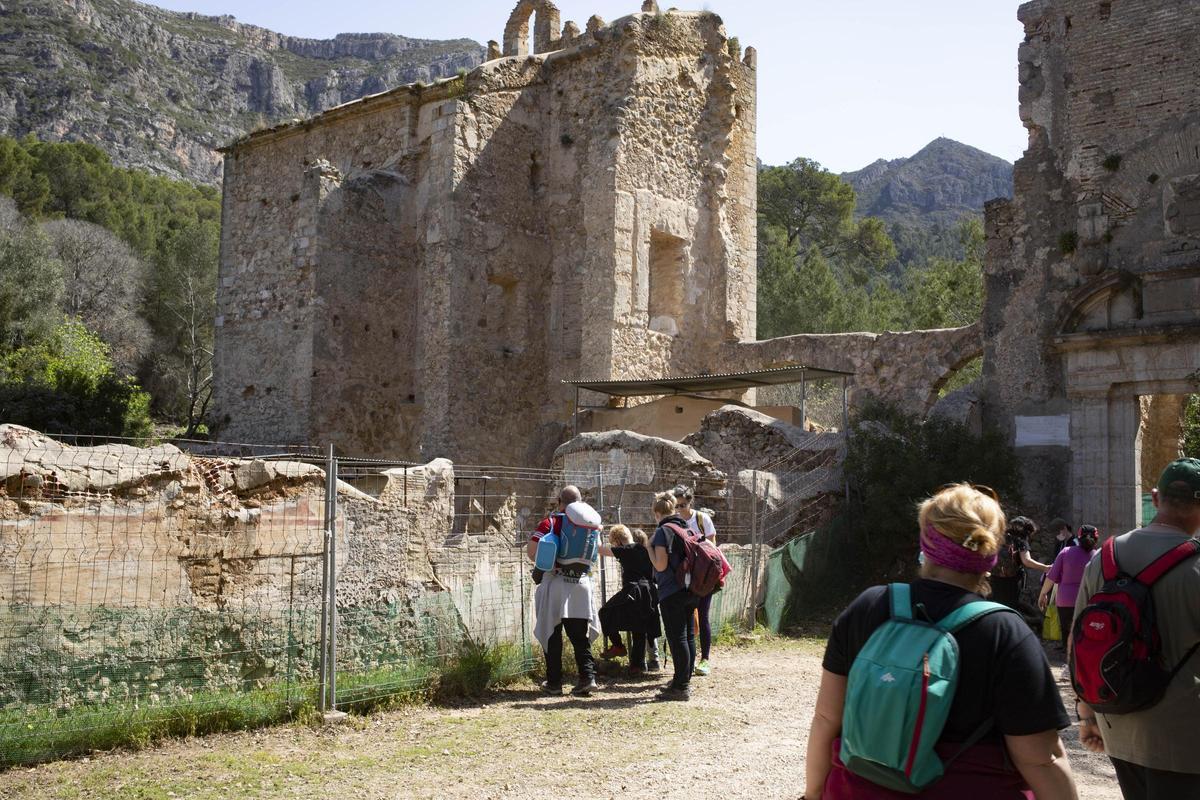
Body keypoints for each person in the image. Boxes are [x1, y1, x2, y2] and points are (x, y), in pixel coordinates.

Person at [803, 484, 1077, 800]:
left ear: (926, 543)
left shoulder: (867, 607)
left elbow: (826, 719)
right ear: (990, 552)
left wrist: (812, 795)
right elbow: (1043, 759)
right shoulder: (1006, 633)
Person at [1074, 459, 1200, 800]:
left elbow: (1080, 638)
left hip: (1119, 726)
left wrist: (1087, 715)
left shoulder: (1105, 557)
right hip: (1185, 739)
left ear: (1156, 498)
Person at [526, 485, 601, 697]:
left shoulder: (551, 522)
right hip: (581, 583)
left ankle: (554, 683)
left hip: (555, 582)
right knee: (580, 636)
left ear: (560, 501)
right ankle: (587, 678)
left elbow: (533, 551)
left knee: (552, 634)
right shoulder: (590, 525)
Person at [646, 490, 699, 701]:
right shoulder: (685, 527)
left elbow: (660, 564)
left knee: (677, 638)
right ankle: (682, 680)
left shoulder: (663, 532)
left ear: (657, 513)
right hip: (691, 589)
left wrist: (648, 548)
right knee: (687, 636)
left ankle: (681, 687)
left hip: (672, 591)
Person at [596, 524, 661, 674]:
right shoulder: (644, 549)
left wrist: (596, 531)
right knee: (639, 628)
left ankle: (618, 646)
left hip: (634, 590)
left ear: (618, 541)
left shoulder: (625, 550)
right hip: (649, 591)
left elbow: (600, 549)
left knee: (605, 612)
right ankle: (637, 666)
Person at [1038, 524, 1099, 663]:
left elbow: (1051, 576)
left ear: (1078, 537)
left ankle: (1069, 665)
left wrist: (1043, 594)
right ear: (1096, 539)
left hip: (1065, 601)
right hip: (1089, 600)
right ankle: (1084, 666)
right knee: (1086, 634)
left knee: (1067, 633)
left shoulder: (1066, 552)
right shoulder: (1098, 556)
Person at [672, 484, 717, 676]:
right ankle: (687, 661)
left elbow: (712, 547)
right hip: (683, 578)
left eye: (682, 505)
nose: (679, 509)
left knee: (703, 615)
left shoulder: (701, 519)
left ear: (690, 502)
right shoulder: (672, 521)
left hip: (703, 576)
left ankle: (705, 659)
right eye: (676, 505)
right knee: (687, 618)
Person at [989, 515, 1050, 611]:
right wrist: (1045, 567)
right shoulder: (1021, 540)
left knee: (994, 607)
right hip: (1011, 581)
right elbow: (1027, 561)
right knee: (1009, 608)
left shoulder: (1000, 536)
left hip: (995, 578)